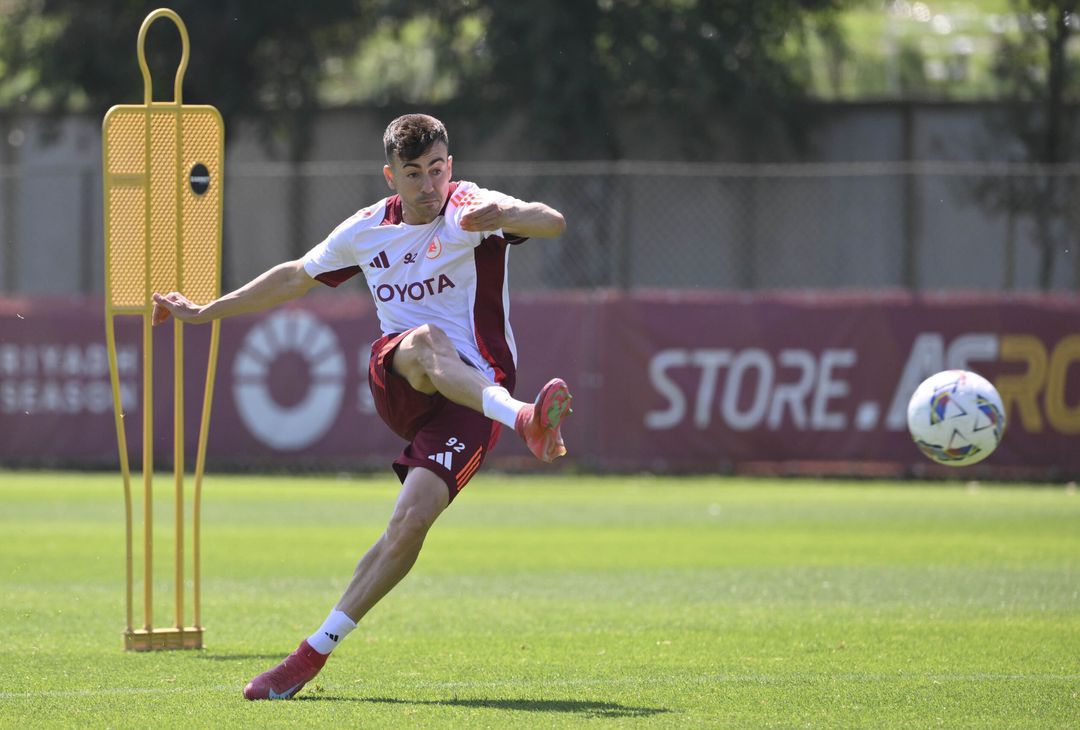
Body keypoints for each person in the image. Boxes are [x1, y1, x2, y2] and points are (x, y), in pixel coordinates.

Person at [151, 113, 572, 701]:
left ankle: (308, 655)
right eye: (414, 174)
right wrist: (205, 311)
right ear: (390, 177)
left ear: (451, 165)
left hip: (473, 401)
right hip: (402, 377)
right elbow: (295, 277)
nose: (430, 186)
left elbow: (551, 221)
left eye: (438, 169)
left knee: (408, 525)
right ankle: (525, 419)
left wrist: (502, 217)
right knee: (426, 341)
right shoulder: (368, 228)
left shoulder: (472, 206)